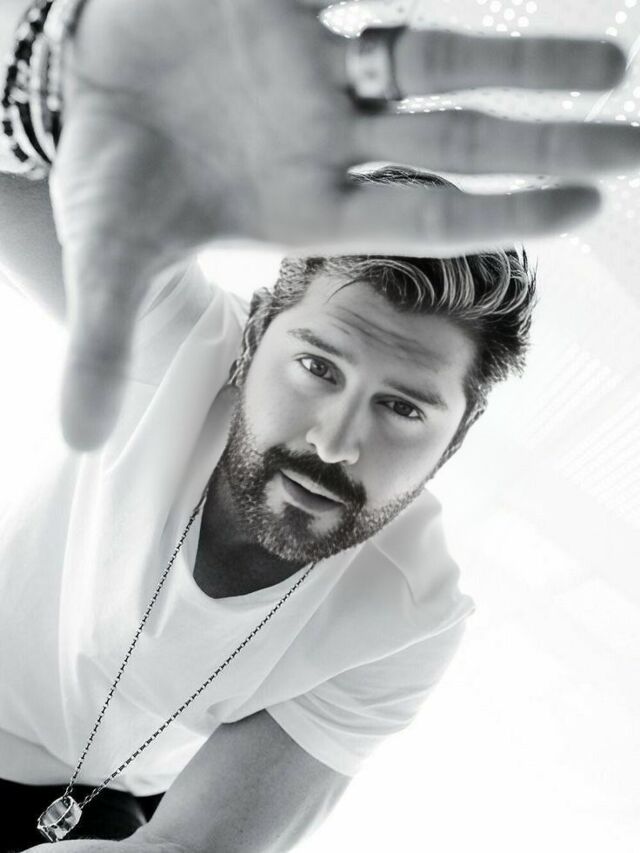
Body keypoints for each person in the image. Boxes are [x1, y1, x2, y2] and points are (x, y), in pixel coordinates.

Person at [0, 2, 638, 852]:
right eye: (319, 368)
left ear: (457, 437)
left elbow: (185, 847)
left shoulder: (410, 616)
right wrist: (64, 45)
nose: (334, 442)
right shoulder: (166, 334)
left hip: (106, 805)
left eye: (402, 407)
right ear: (254, 337)